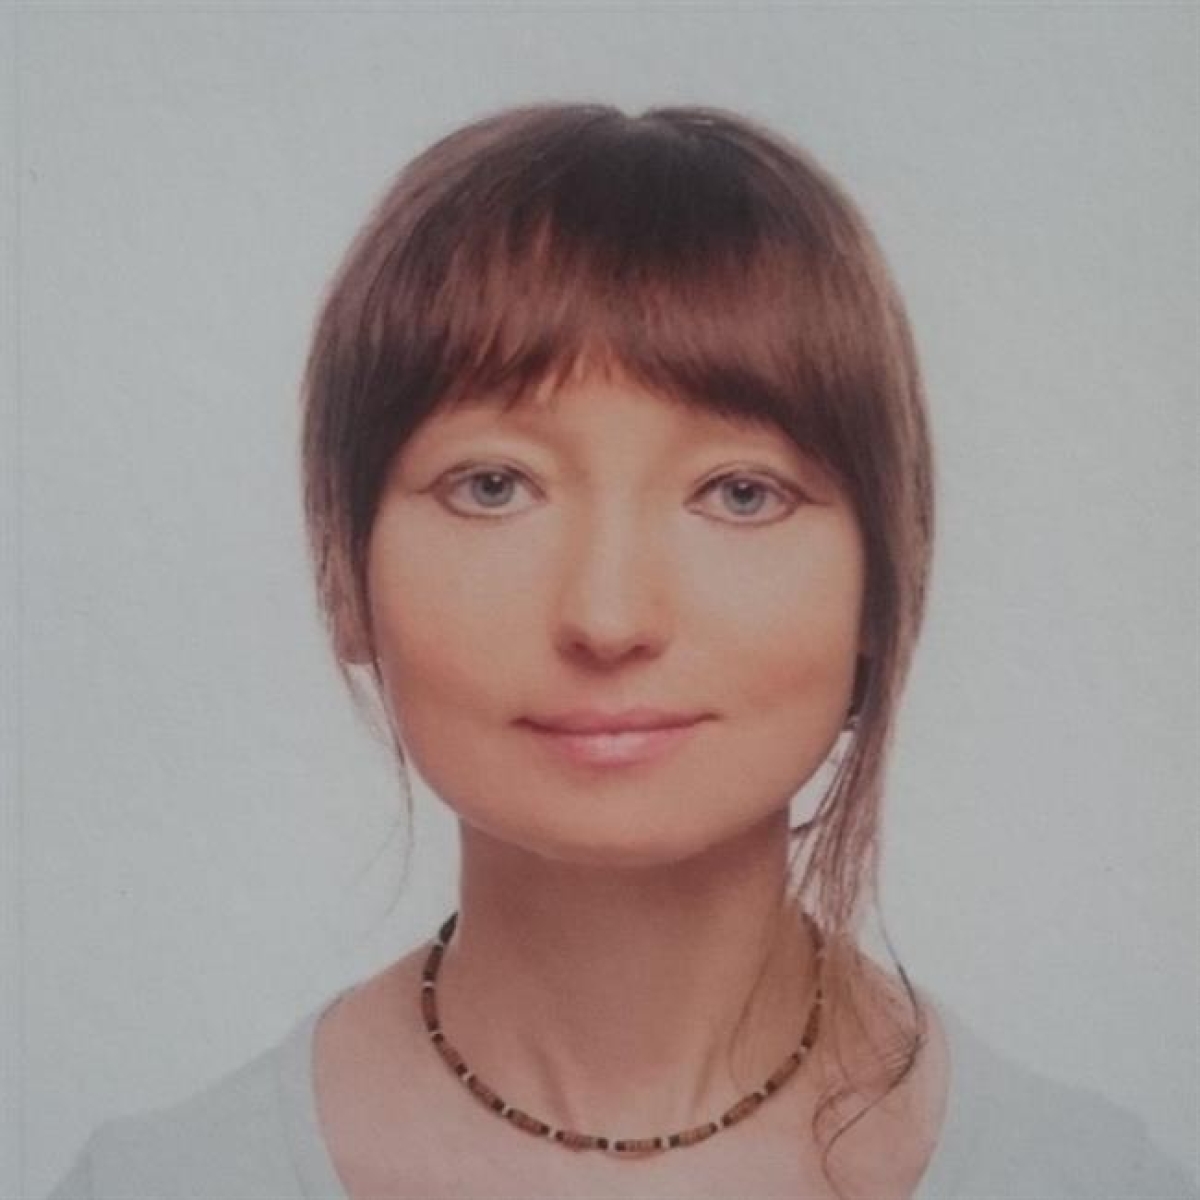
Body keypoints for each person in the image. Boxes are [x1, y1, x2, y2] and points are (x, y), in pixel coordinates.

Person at [47, 103, 1196, 1200]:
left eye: (739, 492)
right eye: (494, 486)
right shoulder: (159, 1183)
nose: (607, 616)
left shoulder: (1090, 1180)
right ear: (344, 573)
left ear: (882, 590)